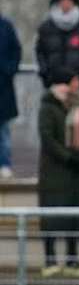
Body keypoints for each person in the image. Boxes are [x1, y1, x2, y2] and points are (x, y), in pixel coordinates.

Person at [37, 68, 79, 277]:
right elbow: (48, 138)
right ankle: (50, 259)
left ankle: (72, 259)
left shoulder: (77, 106)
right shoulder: (48, 108)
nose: (78, 84)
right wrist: (68, 157)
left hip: (75, 174)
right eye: (75, 80)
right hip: (54, 172)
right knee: (51, 216)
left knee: (74, 216)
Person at [0, 11, 21, 179]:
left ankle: (4, 164)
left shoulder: (6, 26)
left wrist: (9, 70)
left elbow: (16, 50)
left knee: (4, 130)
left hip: (3, 88)